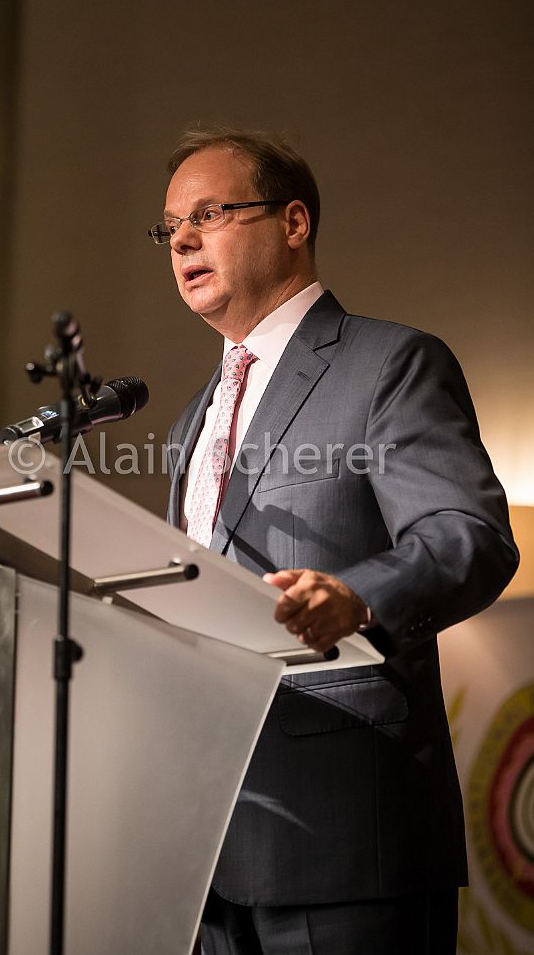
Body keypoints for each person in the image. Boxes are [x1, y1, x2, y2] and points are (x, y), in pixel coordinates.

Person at [149, 128, 519, 955]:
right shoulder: (190, 422)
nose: (181, 240)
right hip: (208, 843)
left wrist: (358, 597)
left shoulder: (387, 364)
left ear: (292, 222)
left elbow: (468, 535)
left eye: (208, 214)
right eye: (169, 226)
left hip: (346, 831)